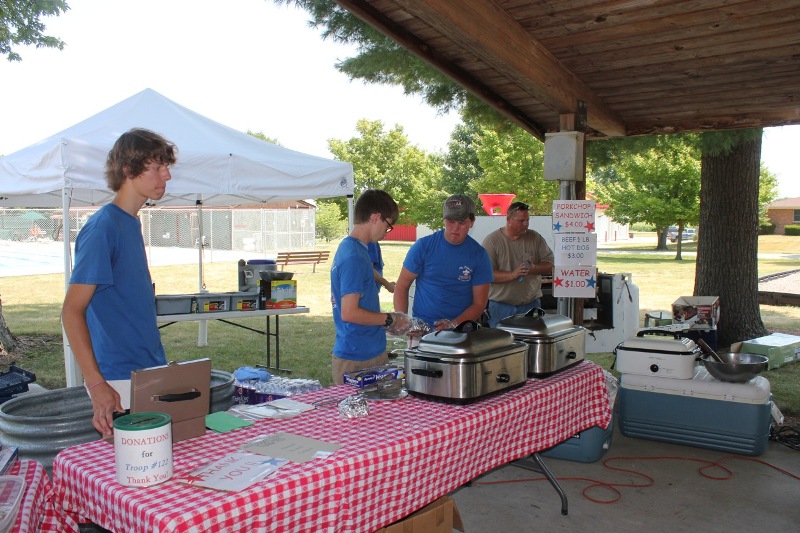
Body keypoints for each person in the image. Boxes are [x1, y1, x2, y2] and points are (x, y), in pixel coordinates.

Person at [61, 128, 177, 436]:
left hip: (147, 369)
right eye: (157, 167)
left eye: (166, 167)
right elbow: (71, 311)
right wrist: (96, 384)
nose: (166, 175)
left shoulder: (129, 222)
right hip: (117, 378)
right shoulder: (103, 227)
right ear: (128, 169)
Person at [330, 189, 411, 384]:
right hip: (357, 357)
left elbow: (366, 280)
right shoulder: (354, 256)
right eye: (388, 225)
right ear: (375, 217)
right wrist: (390, 319)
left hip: (366, 349)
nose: (387, 232)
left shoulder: (356, 248)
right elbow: (349, 313)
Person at [394, 194, 493, 331]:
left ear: (472, 222)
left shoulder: (479, 255)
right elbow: (401, 286)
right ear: (443, 219)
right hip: (421, 329)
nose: (455, 228)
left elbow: (479, 303)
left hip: (460, 331)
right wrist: (403, 321)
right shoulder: (424, 246)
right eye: (450, 221)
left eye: (462, 222)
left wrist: (453, 324)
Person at [482, 201, 554, 327]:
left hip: (531, 305)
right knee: (502, 340)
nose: (526, 224)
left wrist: (534, 268)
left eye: (527, 220)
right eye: (521, 221)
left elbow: (550, 265)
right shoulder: (492, 241)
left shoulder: (535, 237)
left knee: (531, 340)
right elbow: (487, 275)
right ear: (509, 219)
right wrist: (513, 274)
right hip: (500, 307)